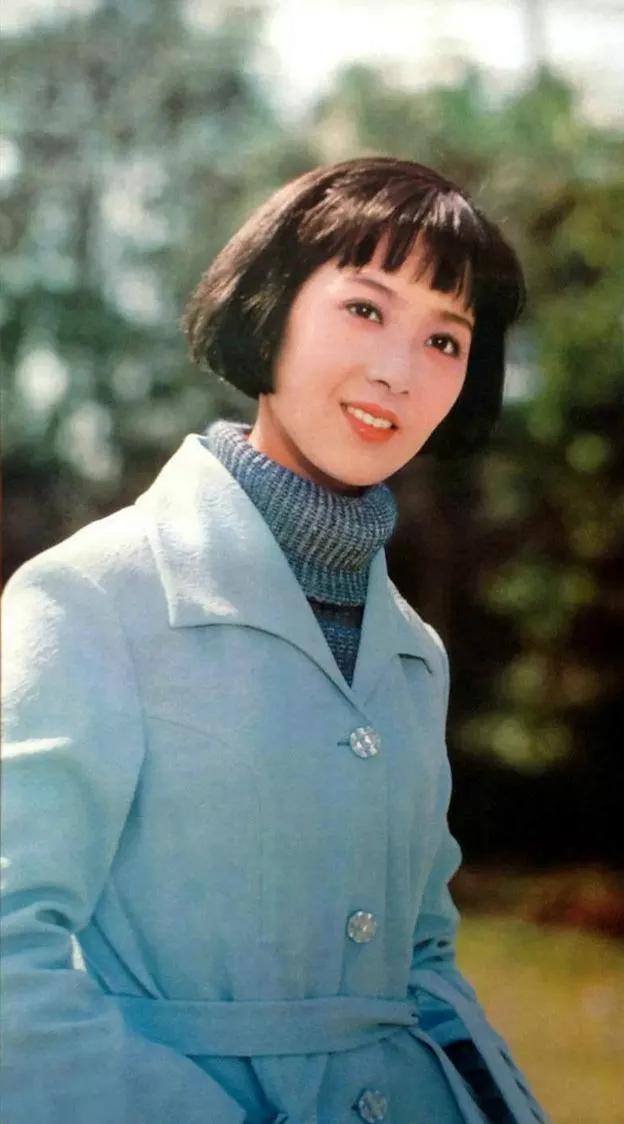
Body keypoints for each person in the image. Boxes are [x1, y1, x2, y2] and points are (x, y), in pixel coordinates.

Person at [2, 157, 548, 1124]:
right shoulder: (88, 598)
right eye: (366, 309)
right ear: (272, 305)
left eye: (446, 339)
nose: (400, 371)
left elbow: (424, 962)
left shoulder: (415, 654)